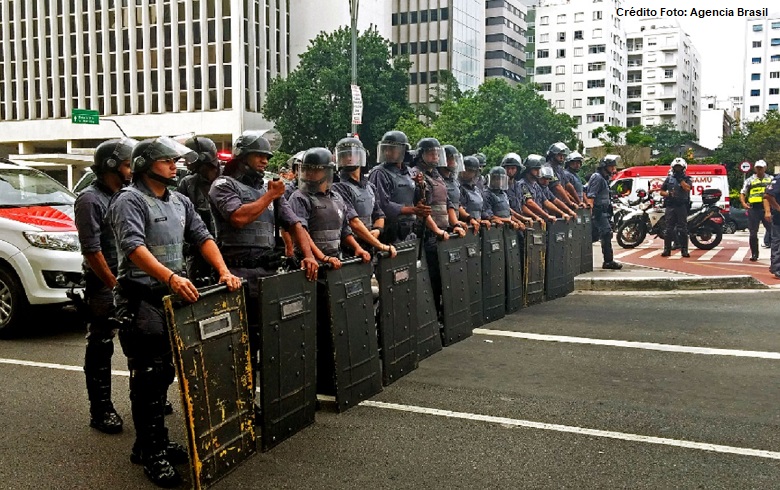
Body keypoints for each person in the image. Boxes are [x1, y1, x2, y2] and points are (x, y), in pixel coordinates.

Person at [108, 137, 242, 487]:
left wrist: (223, 271)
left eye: (175, 161)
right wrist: (170, 277)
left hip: (172, 298)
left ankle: (152, 440)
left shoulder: (180, 201)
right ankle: (152, 453)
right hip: (141, 298)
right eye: (167, 160)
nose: (174, 165)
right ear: (144, 164)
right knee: (148, 375)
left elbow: (202, 237)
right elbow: (133, 246)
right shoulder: (129, 200)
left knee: (166, 371)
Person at [208, 130, 319, 395]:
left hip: (265, 275)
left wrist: (309, 255)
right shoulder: (224, 186)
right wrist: (270, 197)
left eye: (267, 157)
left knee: (266, 340)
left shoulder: (265, 189)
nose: (265, 161)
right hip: (236, 273)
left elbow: (294, 223)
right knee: (239, 343)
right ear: (242, 156)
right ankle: (238, 401)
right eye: (259, 155)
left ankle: (264, 399)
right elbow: (237, 217)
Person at [74, 137, 136, 435]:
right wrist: (115, 286)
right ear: (111, 165)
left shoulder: (128, 195)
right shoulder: (90, 199)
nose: (132, 169)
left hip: (129, 279)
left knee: (140, 341)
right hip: (104, 284)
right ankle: (101, 409)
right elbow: (92, 251)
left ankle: (146, 400)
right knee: (101, 343)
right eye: (127, 164)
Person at [289, 147, 394, 263]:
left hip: (334, 261)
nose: (308, 173)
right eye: (306, 169)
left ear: (327, 171)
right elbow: (300, 232)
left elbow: (345, 230)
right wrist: (321, 257)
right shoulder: (299, 197)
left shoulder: (336, 197)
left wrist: (357, 248)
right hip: (310, 264)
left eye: (315, 170)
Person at [331, 137, 397, 255]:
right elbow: (353, 223)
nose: (349, 158)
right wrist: (381, 246)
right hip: (351, 249)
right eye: (345, 155)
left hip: (370, 245)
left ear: (361, 156)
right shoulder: (337, 188)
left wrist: (377, 230)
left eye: (353, 154)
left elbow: (379, 214)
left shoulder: (370, 186)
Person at [368, 131, 430, 244]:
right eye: (386, 149)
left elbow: (420, 200)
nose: (387, 152)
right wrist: (413, 210)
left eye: (392, 149)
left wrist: (421, 186)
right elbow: (382, 204)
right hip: (390, 231)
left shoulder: (409, 172)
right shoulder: (379, 173)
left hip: (410, 229)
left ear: (403, 151)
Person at [177, 136, 221, 280]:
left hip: (227, 253)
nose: (186, 162)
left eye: (190, 157)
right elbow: (180, 218)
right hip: (197, 254)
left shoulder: (229, 179)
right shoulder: (187, 184)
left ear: (202, 158)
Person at [586, 155, 623, 269]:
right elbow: (591, 195)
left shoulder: (604, 178)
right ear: (604, 167)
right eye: (611, 167)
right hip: (598, 212)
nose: (614, 170)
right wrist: (590, 211)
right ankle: (608, 261)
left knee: (594, 236)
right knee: (606, 233)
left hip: (603, 212)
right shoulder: (597, 177)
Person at [740, 159, 773, 261]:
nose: (759, 170)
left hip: (767, 208)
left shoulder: (771, 179)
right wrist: (744, 204)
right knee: (753, 233)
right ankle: (754, 254)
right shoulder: (750, 180)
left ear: (765, 168)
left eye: (761, 168)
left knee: (773, 231)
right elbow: (743, 193)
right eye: (758, 168)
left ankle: (775, 255)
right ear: (755, 169)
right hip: (754, 208)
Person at [659, 157, 693, 258]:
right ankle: (667, 250)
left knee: (683, 229)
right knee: (668, 229)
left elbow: (687, 188)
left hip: (681, 206)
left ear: (683, 168)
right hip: (670, 206)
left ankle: (684, 251)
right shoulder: (669, 179)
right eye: (676, 167)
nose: (678, 169)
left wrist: (681, 180)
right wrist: (668, 194)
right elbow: (661, 191)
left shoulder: (687, 179)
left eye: (679, 167)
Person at [441, 145, 479, 232]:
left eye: (454, 159)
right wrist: (455, 223)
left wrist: (469, 218)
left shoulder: (454, 182)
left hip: (455, 227)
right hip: (443, 228)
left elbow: (458, 205)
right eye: (449, 158)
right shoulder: (438, 180)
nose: (453, 162)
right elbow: (447, 205)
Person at [458, 156, 492, 230]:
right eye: (465, 169)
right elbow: (461, 208)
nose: (466, 172)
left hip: (478, 226)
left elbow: (482, 209)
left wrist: (488, 218)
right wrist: (471, 219)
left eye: (470, 171)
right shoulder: (459, 187)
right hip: (466, 226)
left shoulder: (476, 189)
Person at [546, 142, 580, 208]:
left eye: (563, 155)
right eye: (559, 155)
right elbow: (558, 187)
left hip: (562, 203)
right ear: (553, 155)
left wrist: (578, 201)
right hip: (552, 204)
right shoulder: (548, 168)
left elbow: (568, 185)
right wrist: (570, 203)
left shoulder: (559, 168)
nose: (562, 157)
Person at [763, 173, 780, 278]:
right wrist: (777, 208)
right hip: (779, 218)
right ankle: (777, 268)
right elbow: (767, 195)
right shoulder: (778, 179)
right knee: (777, 242)